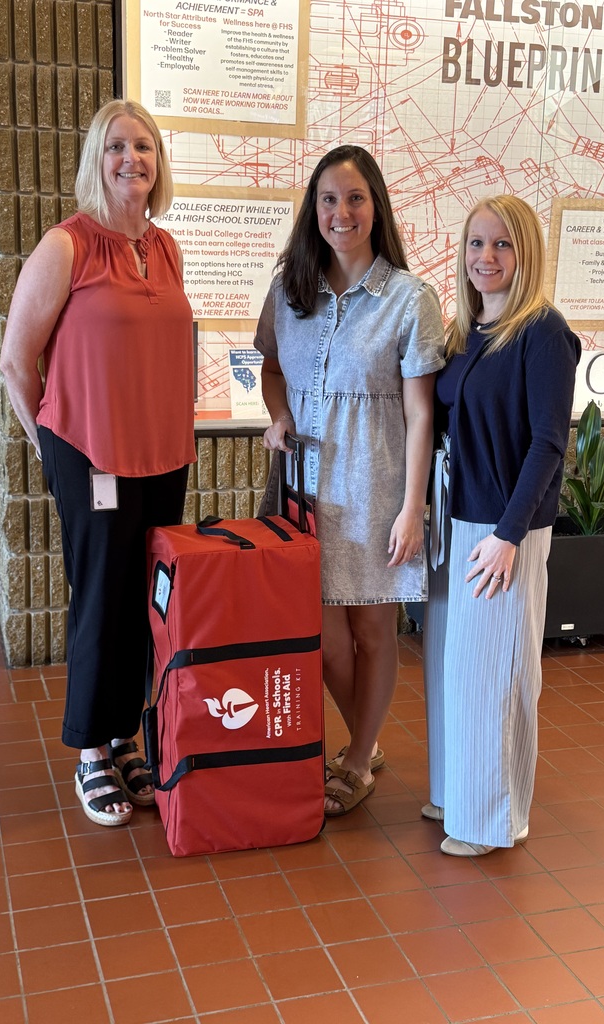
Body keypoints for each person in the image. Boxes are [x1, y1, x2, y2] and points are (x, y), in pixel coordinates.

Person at [0, 99, 195, 827]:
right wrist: (55, 453)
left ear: (157, 162)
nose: (131, 160)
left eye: (144, 147)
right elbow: (18, 364)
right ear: (97, 159)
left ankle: (125, 736)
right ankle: (89, 751)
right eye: (117, 147)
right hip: (94, 459)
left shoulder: (166, 247)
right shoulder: (69, 245)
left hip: (161, 457)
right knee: (101, 598)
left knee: (148, 601)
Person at [254, 145, 445, 816]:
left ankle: (358, 757)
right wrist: (278, 415)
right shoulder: (289, 288)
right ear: (314, 210)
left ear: (376, 206)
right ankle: (367, 732)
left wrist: (412, 507)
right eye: (329, 200)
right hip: (304, 490)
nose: (342, 212)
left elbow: (422, 412)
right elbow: (270, 366)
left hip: (375, 489)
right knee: (325, 639)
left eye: (355, 198)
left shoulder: (408, 298)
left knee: (372, 633)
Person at [422, 195, 580, 855]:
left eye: (502, 245)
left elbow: (549, 443)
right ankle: (461, 794)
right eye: (475, 244)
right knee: (460, 673)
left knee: (497, 676)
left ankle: (493, 820)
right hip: (460, 523)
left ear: (526, 253)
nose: (486, 258)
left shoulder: (543, 332)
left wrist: (510, 535)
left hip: (503, 529)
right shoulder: (468, 332)